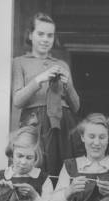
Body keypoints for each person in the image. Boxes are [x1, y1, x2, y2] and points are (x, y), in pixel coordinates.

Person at [12, 12, 81, 176]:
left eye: (50, 35)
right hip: (35, 122)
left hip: (62, 122)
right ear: (30, 35)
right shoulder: (20, 62)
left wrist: (68, 85)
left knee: (62, 169)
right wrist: (40, 79)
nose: (45, 39)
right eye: (40, 34)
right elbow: (17, 101)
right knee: (36, 166)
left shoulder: (61, 64)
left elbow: (76, 107)